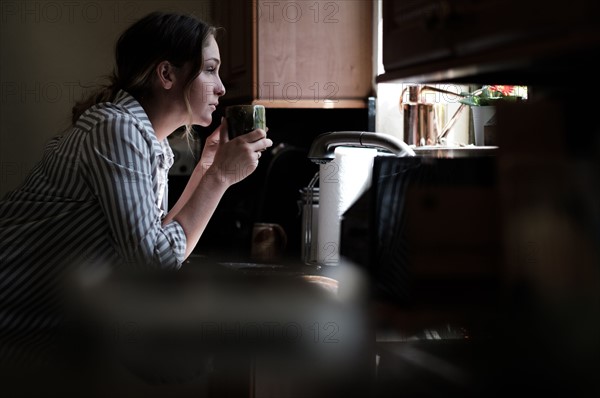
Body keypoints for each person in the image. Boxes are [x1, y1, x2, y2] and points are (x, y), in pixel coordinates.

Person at [0, 11, 272, 367]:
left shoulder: (147, 143)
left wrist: (208, 166)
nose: (221, 86)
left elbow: (163, 248)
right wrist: (219, 178)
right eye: (209, 69)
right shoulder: (117, 129)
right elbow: (152, 268)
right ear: (166, 74)